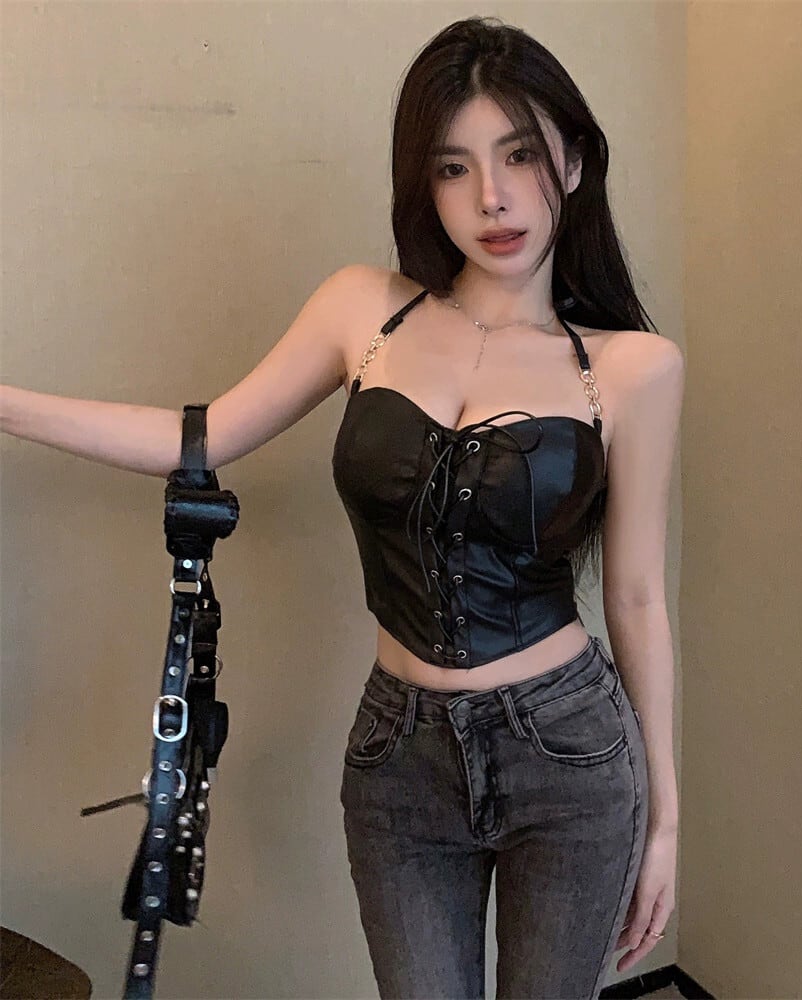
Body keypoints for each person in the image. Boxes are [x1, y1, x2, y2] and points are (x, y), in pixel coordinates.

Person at [1, 14, 683, 1000]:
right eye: (452, 167)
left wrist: (665, 820)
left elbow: (637, 598)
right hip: (399, 754)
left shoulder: (630, 368)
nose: (491, 197)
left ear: (573, 162)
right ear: (424, 186)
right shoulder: (364, 310)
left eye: (521, 154)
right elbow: (201, 437)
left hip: (569, 750)